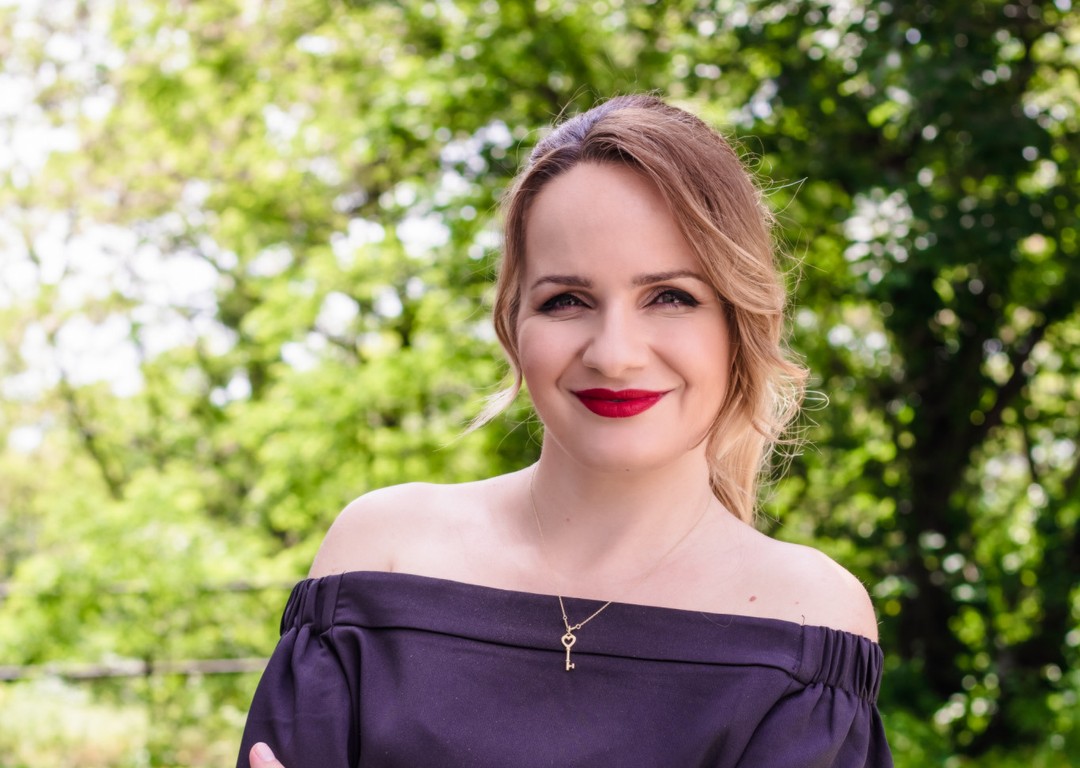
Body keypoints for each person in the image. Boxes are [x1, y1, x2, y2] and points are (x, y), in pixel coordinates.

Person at [238, 94, 893, 767]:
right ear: (513, 325)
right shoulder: (380, 558)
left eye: (670, 296)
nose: (614, 354)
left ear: (739, 323)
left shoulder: (807, 621)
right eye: (567, 301)